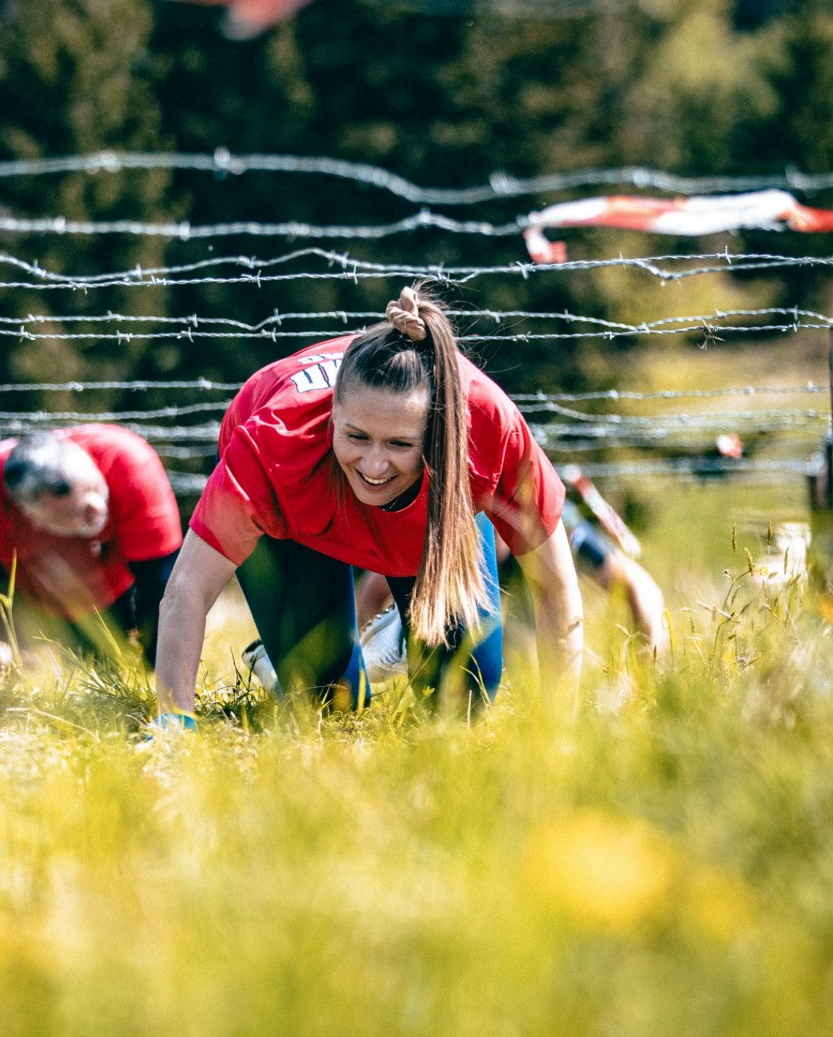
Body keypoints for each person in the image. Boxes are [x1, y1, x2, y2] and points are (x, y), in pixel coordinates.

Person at [153, 286, 583, 730]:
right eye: (356, 437)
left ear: (435, 433)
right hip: (302, 510)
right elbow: (187, 588)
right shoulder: (272, 442)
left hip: (427, 515)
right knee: (327, 701)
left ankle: (397, 633)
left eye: (399, 444)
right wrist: (174, 722)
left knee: (464, 694)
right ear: (332, 416)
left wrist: (559, 734)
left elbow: (554, 589)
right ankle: (289, 654)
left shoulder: (490, 430)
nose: (374, 465)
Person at [0, 425, 182, 669]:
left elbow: (164, 581)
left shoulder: (127, 462)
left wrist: (156, 664)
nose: (97, 509)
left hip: (114, 596)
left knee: (113, 676)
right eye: (77, 514)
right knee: (12, 689)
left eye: (97, 490)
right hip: (22, 600)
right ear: (31, 516)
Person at [353, 495, 669, 682]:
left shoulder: (554, 527)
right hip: (468, 627)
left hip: (534, 626)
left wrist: (644, 675)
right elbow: (371, 592)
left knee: (526, 646)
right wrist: (356, 670)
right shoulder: (449, 532)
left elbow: (641, 588)